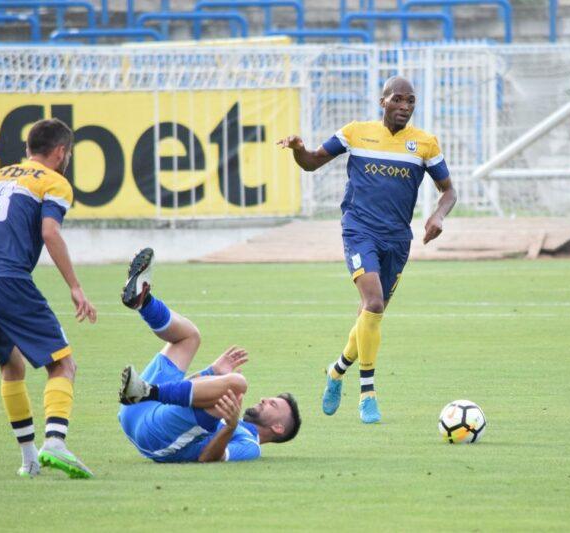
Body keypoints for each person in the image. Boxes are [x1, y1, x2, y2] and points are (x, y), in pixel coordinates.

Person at [277, 75, 457, 424]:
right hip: (359, 230)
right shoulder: (356, 133)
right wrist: (299, 149)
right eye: (398, 99)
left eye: (410, 101)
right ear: (382, 101)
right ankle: (367, 393)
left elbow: (448, 191)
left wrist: (438, 215)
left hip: (397, 238)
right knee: (372, 303)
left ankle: (336, 371)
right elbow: (312, 161)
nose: (404, 106)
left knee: (370, 315)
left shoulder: (425, 144)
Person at [0, 118, 97, 478]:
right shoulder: (54, 182)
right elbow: (50, 232)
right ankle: (56, 442)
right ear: (61, 152)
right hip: (8, 281)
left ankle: (29, 459)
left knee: (11, 365)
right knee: (63, 364)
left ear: (27, 149)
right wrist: (75, 286)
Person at [117, 248, 301, 463]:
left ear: (278, 428)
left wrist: (230, 426)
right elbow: (180, 395)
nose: (264, 399)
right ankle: (143, 302)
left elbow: (207, 457)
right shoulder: (223, 406)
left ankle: (147, 392)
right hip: (138, 410)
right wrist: (211, 372)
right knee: (190, 337)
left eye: (273, 404)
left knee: (237, 385)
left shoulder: (250, 446)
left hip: (156, 439)